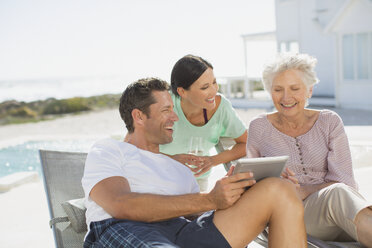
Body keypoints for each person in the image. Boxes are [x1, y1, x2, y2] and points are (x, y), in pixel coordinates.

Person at [82, 77, 307, 248]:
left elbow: (199, 214)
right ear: (139, 117)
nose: (175, 117)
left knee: (279, 189)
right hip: (127, 228)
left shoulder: (180, 168)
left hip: (185, 233)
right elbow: (121, 205)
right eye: (165, 110)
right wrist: (208, 199)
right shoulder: (109, 150)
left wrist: (234, 193)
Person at [247, 52, 372, 246]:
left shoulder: (329, 121)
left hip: (339, 214)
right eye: (278, 89)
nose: (286, 97)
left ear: (309, 90)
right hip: (288, 216)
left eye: (295, 88)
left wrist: (304, 190)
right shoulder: (259, 127)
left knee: (340, 193)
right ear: (269, 91)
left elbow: (345, 181)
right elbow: (251, 185)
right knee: (339, 193)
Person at [160, 55, 248, 192]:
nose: (214, 91)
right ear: (182, 91)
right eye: (205, 87)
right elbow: (134, 147)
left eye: (214, 82)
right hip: (158, 179)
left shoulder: (221, 107)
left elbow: (246, 143)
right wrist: (171, 160)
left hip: (196, 183)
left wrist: (212, 160)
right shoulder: (163, 104)